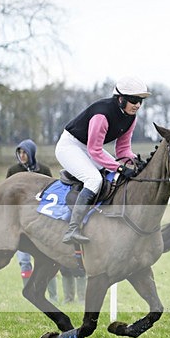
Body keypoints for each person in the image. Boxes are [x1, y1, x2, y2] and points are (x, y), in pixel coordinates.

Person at [55, 76, 150, 245]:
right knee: (94, 180)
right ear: (121, 99)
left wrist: (135, 162)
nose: (137, 105)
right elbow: (95, 150)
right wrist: (119, 168)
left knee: (117, 178)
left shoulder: (131, 118)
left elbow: (122, 150)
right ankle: (73, 229)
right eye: (133, 100)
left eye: (140, 101)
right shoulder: (102, 115)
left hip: (90, 147)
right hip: (70, 147)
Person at [6, 139, 58, 301]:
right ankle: (30, 296)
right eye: (19, 152)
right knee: (24, 262)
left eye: (25, 152)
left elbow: (52, 193)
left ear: (31, 153)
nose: (22, 156)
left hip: (41, 223)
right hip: (19, 223)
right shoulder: (13, 171)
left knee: (49, 260)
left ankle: (53, 297)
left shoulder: (44, 170)